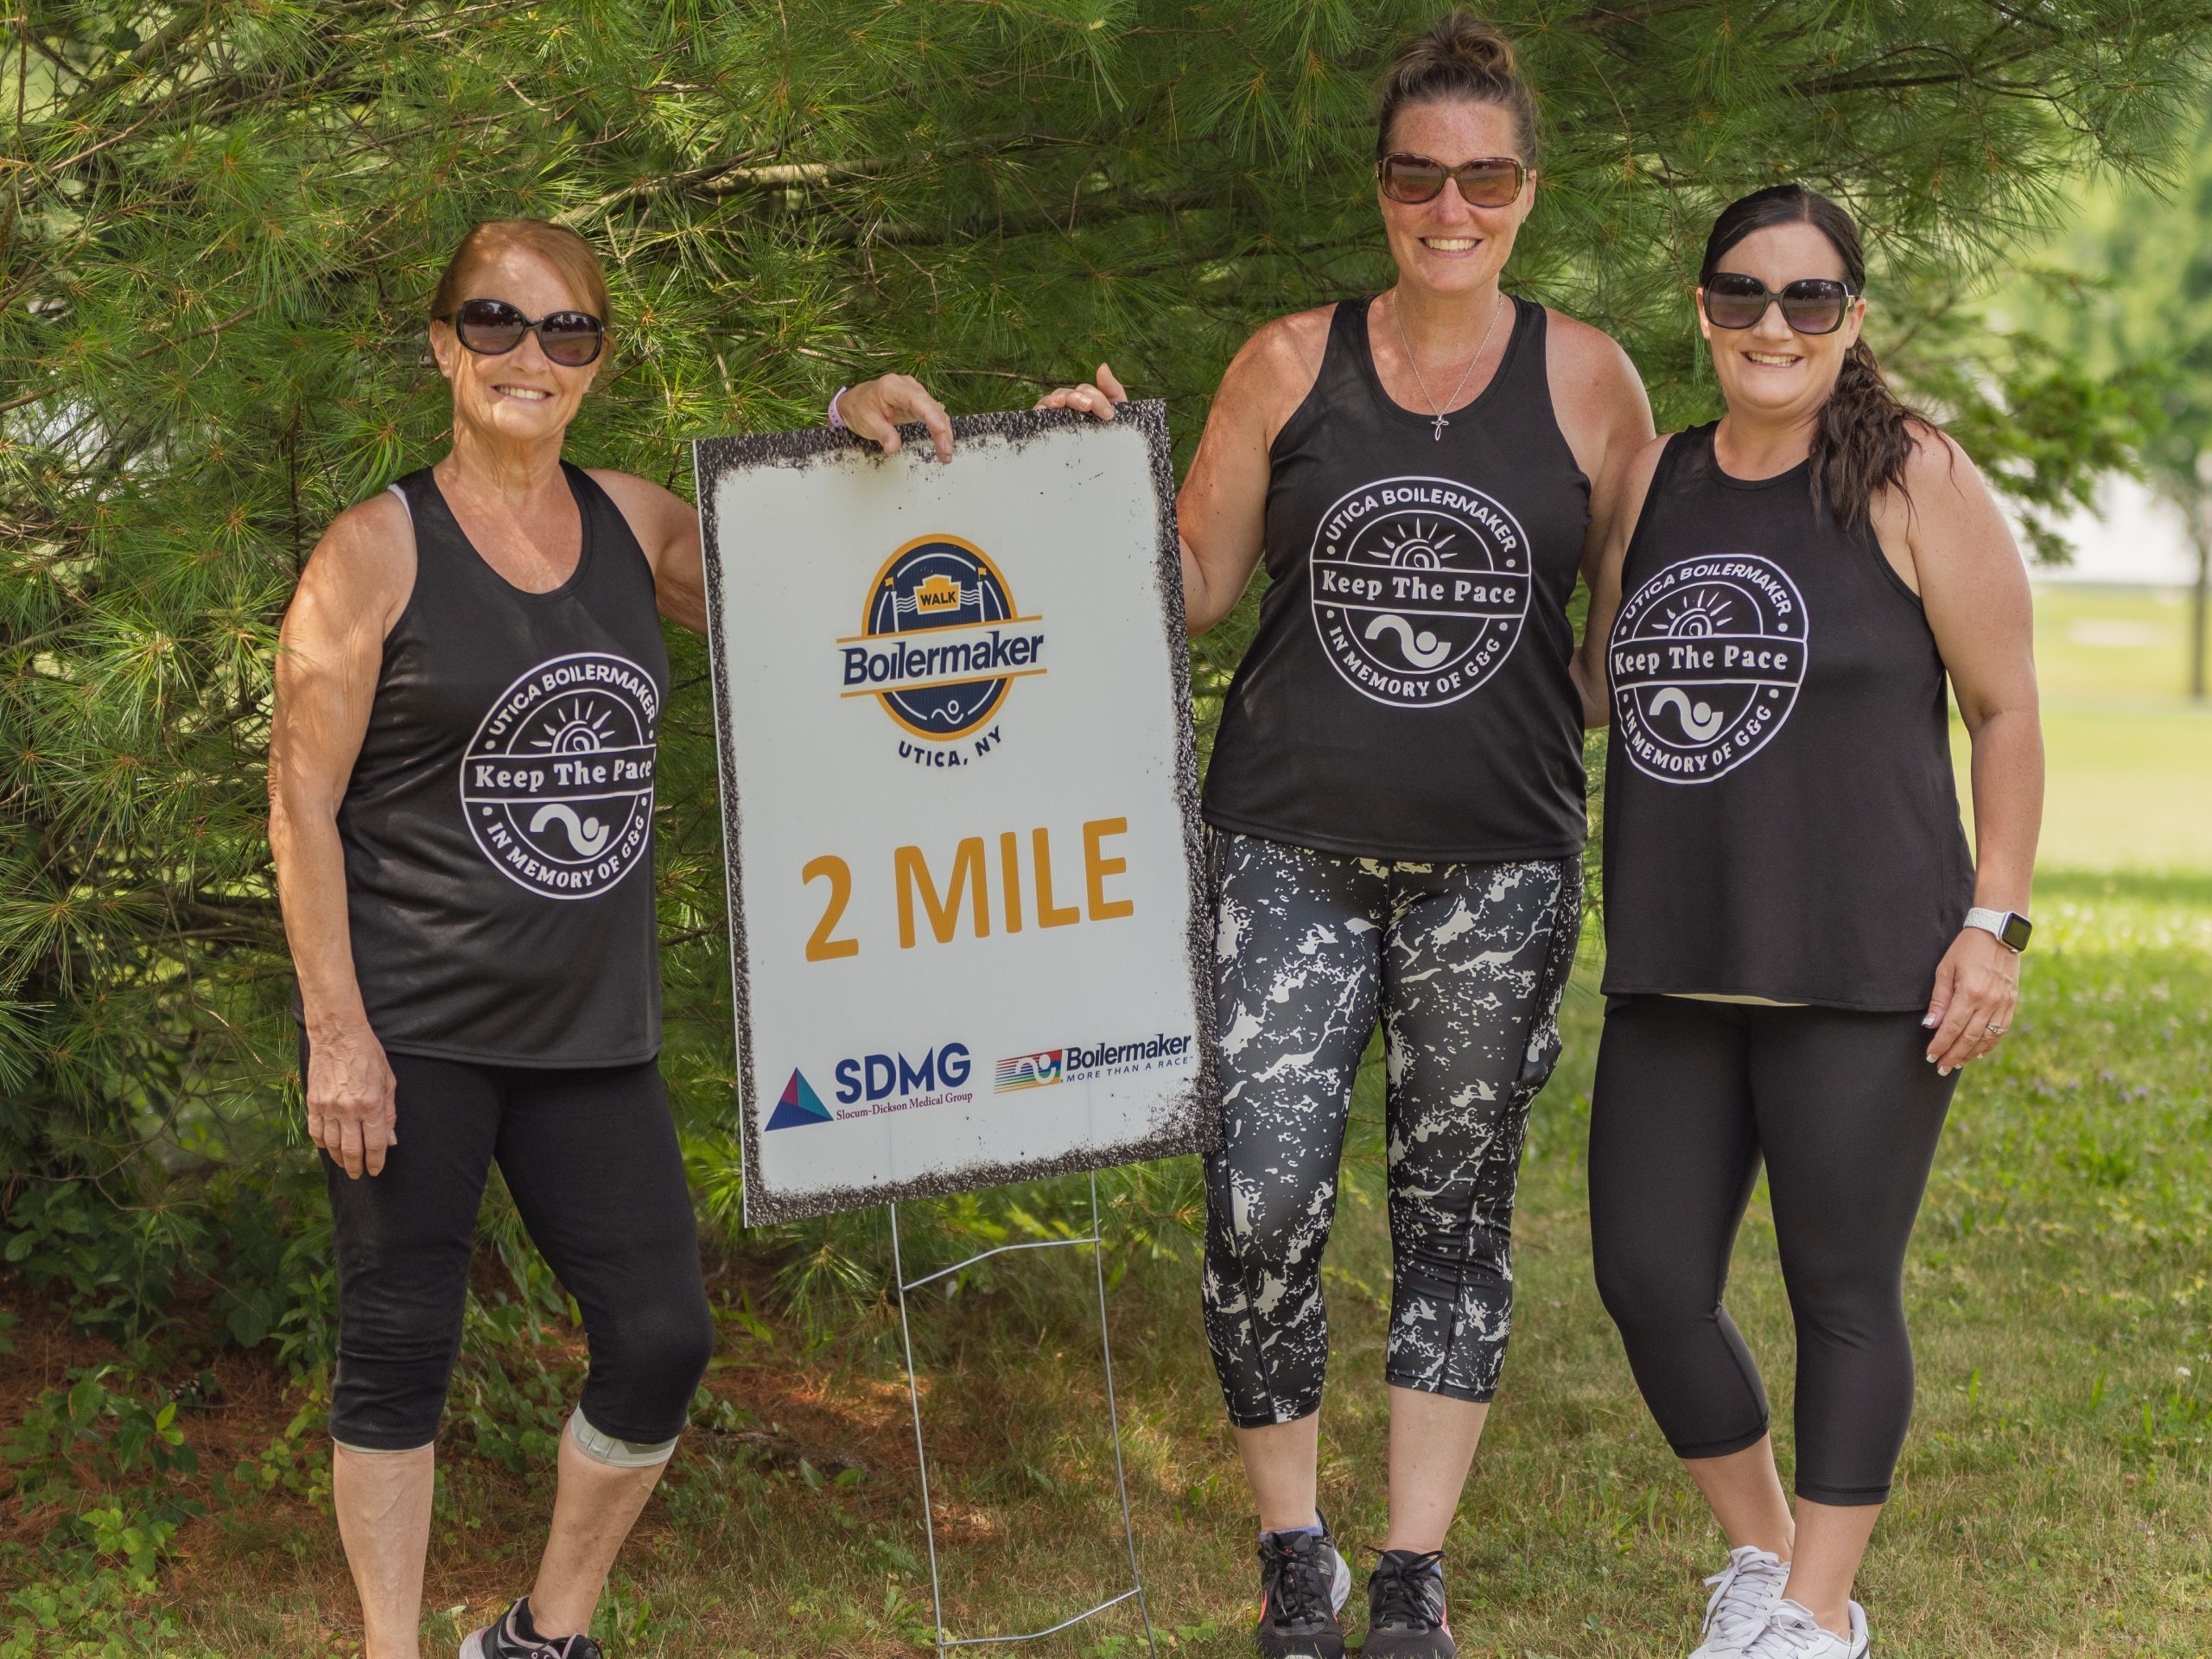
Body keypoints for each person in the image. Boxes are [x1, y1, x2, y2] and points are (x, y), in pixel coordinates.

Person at [1039, 14, 1651, 1657]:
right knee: (1258, 1202)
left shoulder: (1594, 380)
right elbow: (1197, 590)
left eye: (1486, 178)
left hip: (1500, 864)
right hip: (1282, 848)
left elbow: (1624, 660)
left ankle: (1409, 1578)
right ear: (1380, 185)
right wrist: (1095, 489)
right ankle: (1296, 1553)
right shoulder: (1287, 362)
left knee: (1456, 1213)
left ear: (1529, 188)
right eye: (1417, 175)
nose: (1450, 207)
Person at [268, 218, 950, 1659]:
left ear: (598, 359)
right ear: (444, 342)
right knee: (399, 1352)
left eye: (565, 331)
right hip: (417, 1029)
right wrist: (339, 1034)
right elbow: (300, 802)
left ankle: (540, 1633)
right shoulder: (373, 551)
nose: (531, 356)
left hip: (589, 1032)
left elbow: (809, 560)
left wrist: (848, 422)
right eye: (498, 325)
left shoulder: (636, 524)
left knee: (662, 1338)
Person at [1574, 184, 2043, 1659]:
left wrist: (1996, 924)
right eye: (1742, 295)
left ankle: (1816, 1618)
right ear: (1704, 309)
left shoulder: (1912, 476)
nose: (1772, 326)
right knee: (1649, 1283)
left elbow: (2006, 709)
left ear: (1853, 317)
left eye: (1808, 298)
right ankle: (1766, 1556)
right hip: (1679, 961)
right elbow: (1598, 688)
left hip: (1861, 966)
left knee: (1842, 1289)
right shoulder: (1653, 480)